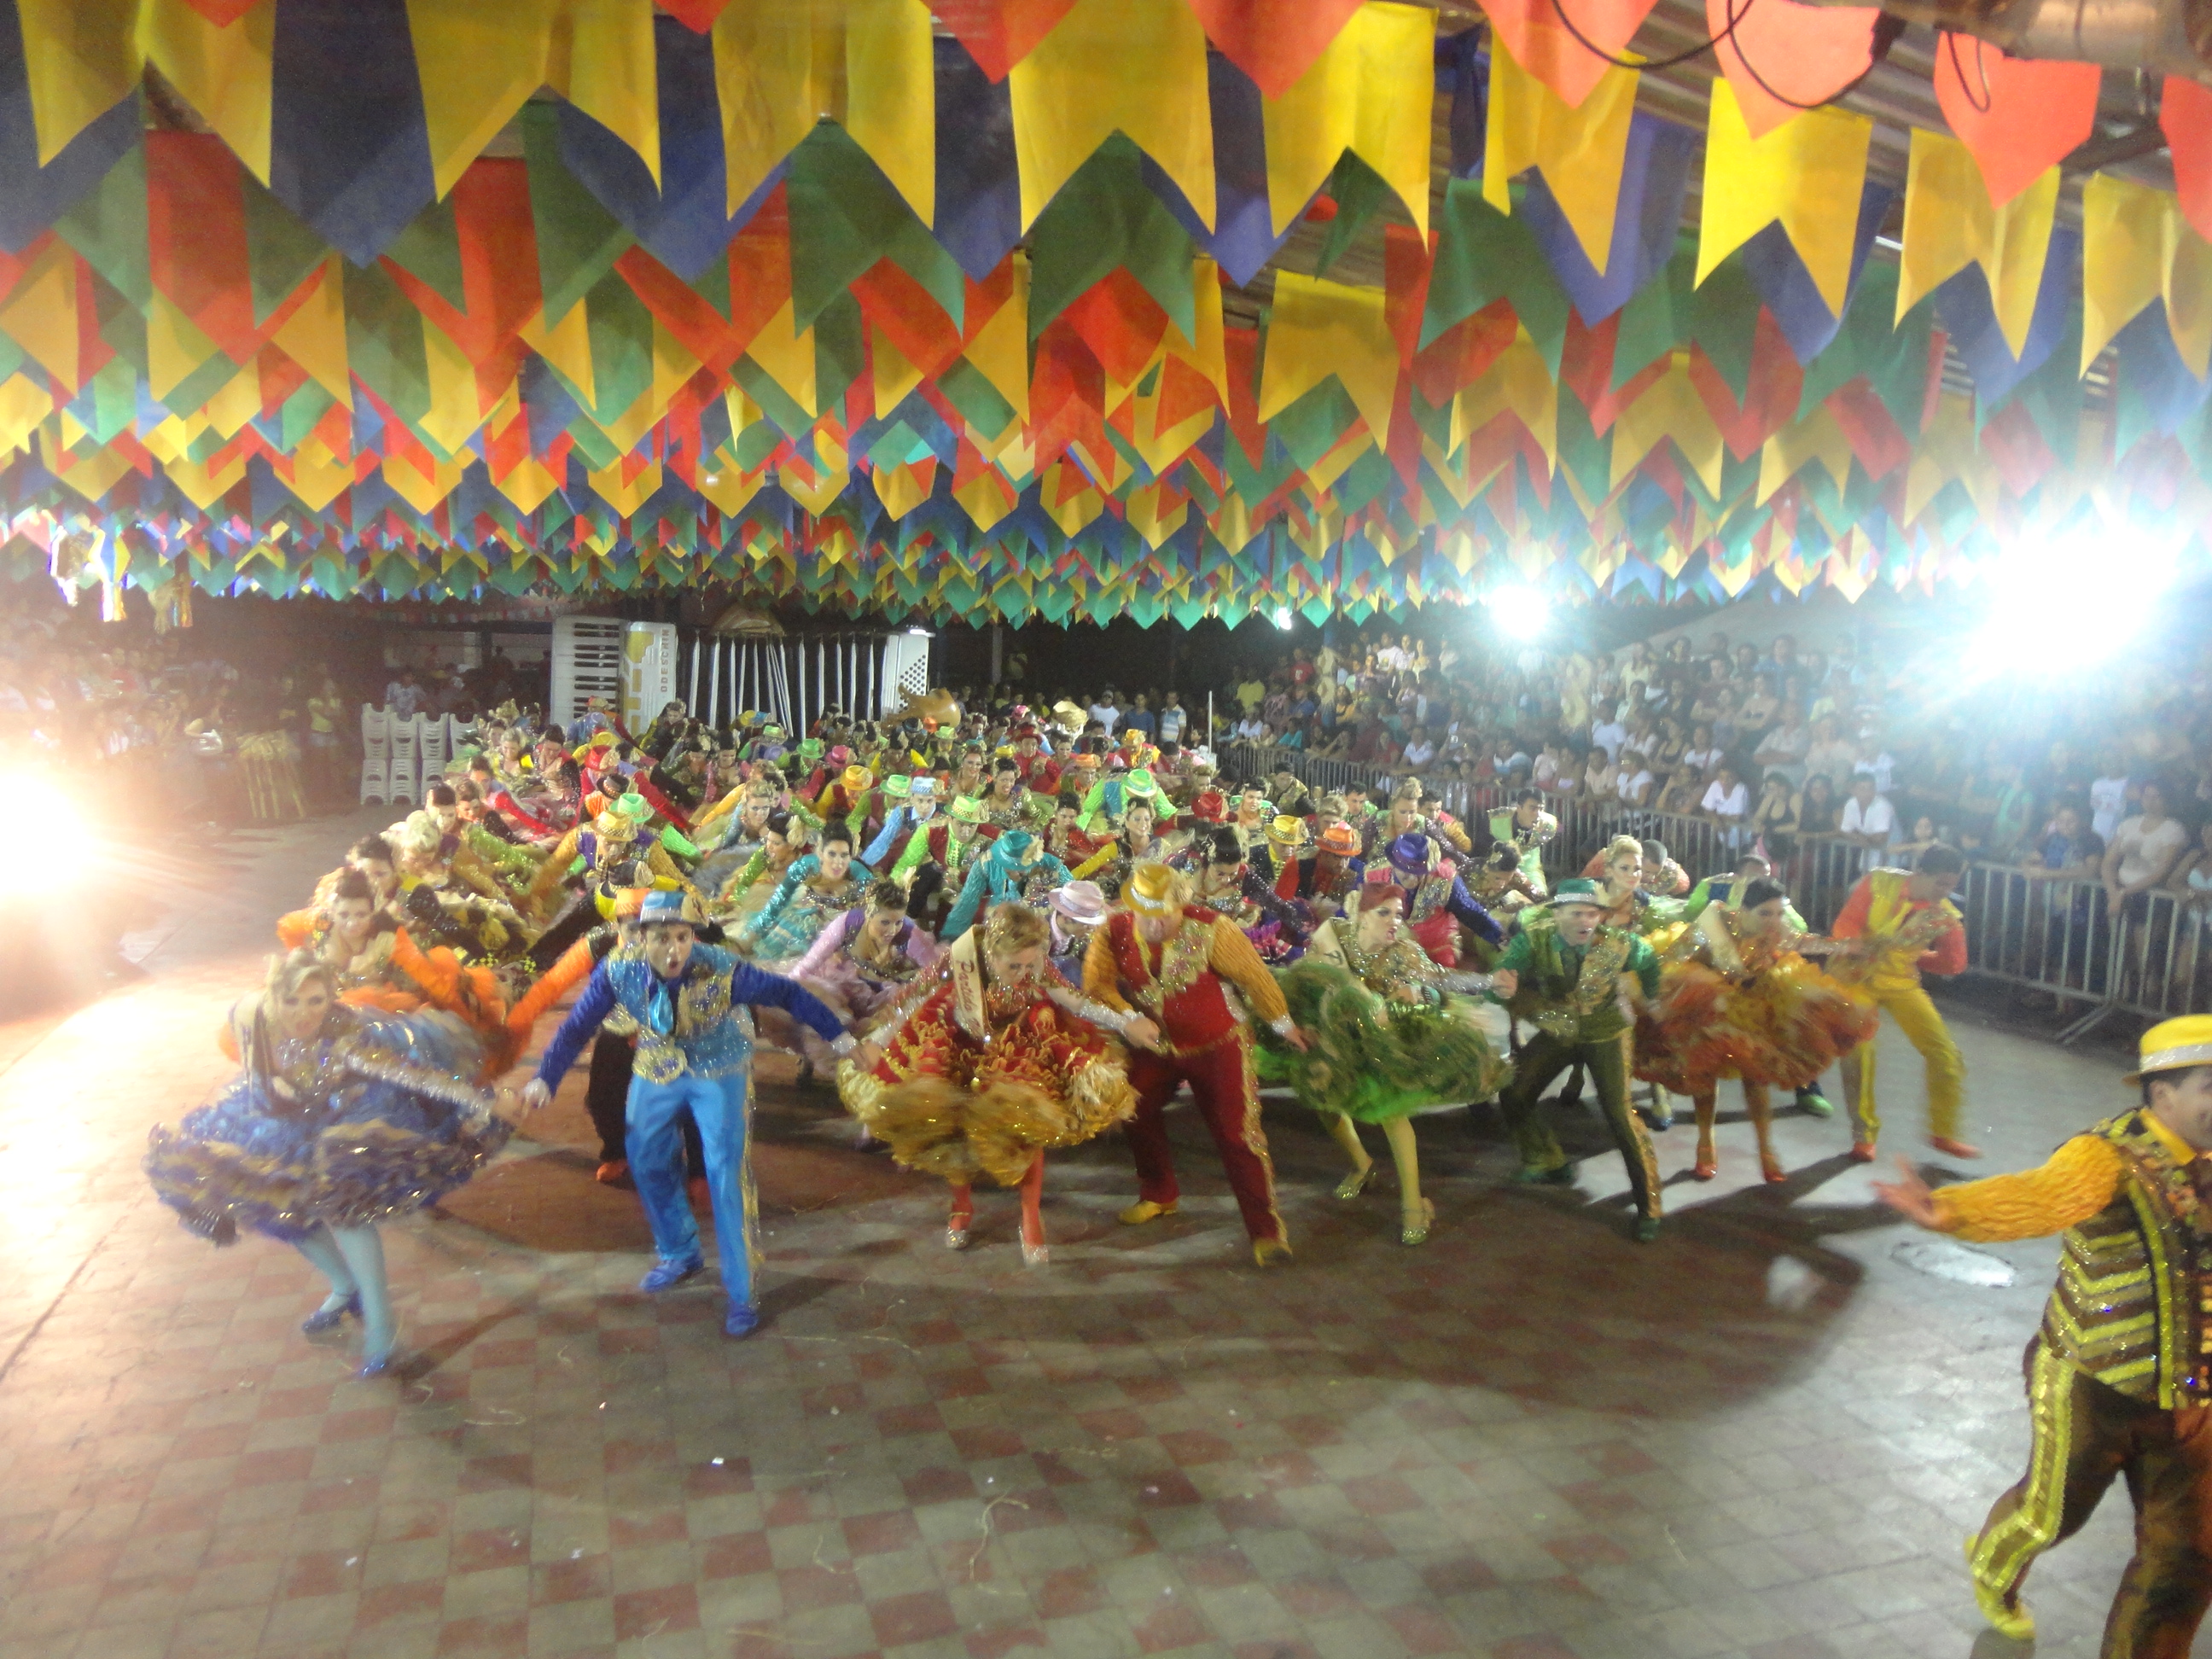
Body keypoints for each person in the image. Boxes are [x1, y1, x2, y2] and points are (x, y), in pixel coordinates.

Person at [1875, 1017, 2212, 1650]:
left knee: (2187, 1556)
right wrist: (1952, 1209)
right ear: (2163, 1094)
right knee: (2051, 1514)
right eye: (2211, 1087)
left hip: (2192, 1397)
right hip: (2089, 1382)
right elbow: (2042, 1196)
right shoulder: (2104, 1156)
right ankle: (1992, 1564)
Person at [145, 951, 516, 1377]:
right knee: (281, 1209)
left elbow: (415, 1075)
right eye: (292, 1001)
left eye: (316, 1001)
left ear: (330, 998)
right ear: (273, 997)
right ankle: (345, 1287)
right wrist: (269, 1094)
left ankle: (381, 1319)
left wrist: (482, 1102)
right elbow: (256, 1074)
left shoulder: (345, 1038)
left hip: (341, 1117)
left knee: (344, 1208)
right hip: (281, 1120)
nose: (304, 1014)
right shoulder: (252, 1017)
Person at [521, 891, 867, 1339]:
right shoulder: (618, 969)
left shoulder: (723, 970)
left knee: (725, 1173)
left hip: (718, 1069)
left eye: (682, 937)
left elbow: (787, 993)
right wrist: (545, 1078)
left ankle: (741, 1291)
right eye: (662, 938)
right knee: (645, 1158)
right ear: (641, 938)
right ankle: (679, 1252)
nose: (674, 950)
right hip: (657, 1065)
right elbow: (576, 1026)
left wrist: (841, 1039)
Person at [843, 901, 1153, 1263]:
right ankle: (961, 1208)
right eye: (1013, 966)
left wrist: (1126, 1023)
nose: (1023, 974)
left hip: (1019, 1048)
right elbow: (912, 1000)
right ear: (991, 954)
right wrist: (877, 1041)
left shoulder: (1037, 964)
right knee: (951, 1126)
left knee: (1027, 1125)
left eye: (1029, 965)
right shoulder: (961, 959)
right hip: (959, 1044)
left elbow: (1077, 1001)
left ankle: (1030, 1216)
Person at [1266, 871, 1513, 1245]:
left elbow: (1441, 979)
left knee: (1391, 1113)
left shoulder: (1403, 953)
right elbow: (1314, 980)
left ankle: (1412, 1205)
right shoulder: (1335, 935)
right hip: (1334, 1034)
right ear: (1361, 914)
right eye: (1384, 913)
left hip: (1380, 1042)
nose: (1394, 921)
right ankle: (1362, 1165)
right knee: (1322, 1099)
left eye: (1399, 914)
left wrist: (1488, 982)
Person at [1084, 861, 1311, 1265]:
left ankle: (1266, 1231)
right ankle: (1159, 1193)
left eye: (1165, 915)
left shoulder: (1213, 928)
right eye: (1147, 915)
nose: (1156, 924)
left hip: (1218, 1045)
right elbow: (1096, 984)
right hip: (1155, 1046)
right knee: (1134, 1108)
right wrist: (1128, 1018)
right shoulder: (1113, 929)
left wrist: (1283, 1024)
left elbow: (1255, 977)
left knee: (1238, 1135)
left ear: (1181, 907)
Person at [1635, 879, 1874, 1183]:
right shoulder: (1716, 920)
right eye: (1765, 913)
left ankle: (1765, 1147)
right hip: (1707, 1003)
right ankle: (1705, 1143)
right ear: (1742, 910)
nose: (1774, 921)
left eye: (1779, 913)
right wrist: (1650, 990)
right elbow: (1677, 957)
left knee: (1757, 1072)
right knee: (1704, 1071)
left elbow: (1802, 941)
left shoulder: (1776, 929)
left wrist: (1845, 946)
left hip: (1751, 999)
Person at [1491, 878, 1667, 1242]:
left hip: (1606, 1031)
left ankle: (1649, 1204)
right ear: (1557, 914)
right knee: (1513, 1089)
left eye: (1592, 914)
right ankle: (1548, 1160)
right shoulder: (1533, 940)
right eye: (1576, 914)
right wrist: (1503, 988)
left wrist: (1651, 998)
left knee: (1620, 1115)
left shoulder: (1620, 943)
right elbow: (1503, 978)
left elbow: (1649, 961)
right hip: (1560, 1028)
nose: (1586, 922)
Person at [1829, 844, 1975, 1162]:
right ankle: (1864, 1135)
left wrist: (1915, 956)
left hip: (1900, 982)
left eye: (1951, 885)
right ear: (1920, 873)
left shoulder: (1946, 917)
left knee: (1945, 1052)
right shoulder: (1879, 882)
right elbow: (1847, 922)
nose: (1945, 891)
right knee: (1859, 1051)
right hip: (1855, 977)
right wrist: (1855, 945)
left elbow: (1954, 964)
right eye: (1941, 883)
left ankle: (1944, 1131)